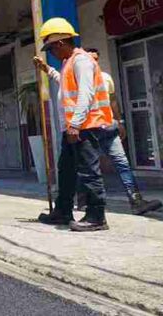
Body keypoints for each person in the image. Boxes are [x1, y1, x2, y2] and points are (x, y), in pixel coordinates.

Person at [35, 48, 162, 215]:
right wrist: (46, 69)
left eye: (94, 58)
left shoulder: (104, 77)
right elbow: (61, 79)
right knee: (85, 168)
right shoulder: (74, 74)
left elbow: (112, 101)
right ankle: (84, 203)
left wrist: (120, 122)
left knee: (119, 163)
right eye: (90, 57)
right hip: (90, 127)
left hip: (105, 127)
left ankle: (135, 200)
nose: (91, 60)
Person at [34, 17, 111, 231]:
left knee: (88, 171)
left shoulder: (82, 61)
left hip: (85, 127)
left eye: (51, 48)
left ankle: (97, 216)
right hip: (74, 128)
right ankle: (63, 211)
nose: (52, 53)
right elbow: (64, 83)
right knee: (66, 171)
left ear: (60, 43)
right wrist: (46, 69)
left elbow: (85, 95)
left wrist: (75, 124)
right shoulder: (69, 63)